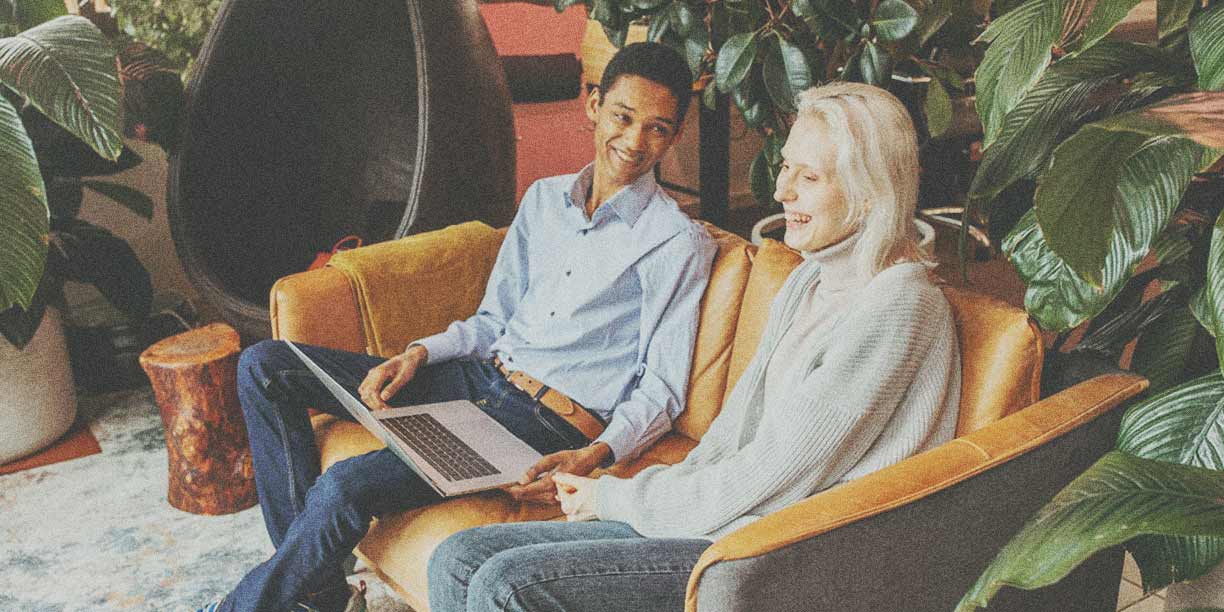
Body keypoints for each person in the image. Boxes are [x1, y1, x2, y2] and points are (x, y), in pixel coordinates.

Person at [198, 42, 716, 612]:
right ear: (593, 105)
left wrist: (596, 454)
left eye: (658, 128)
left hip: (541, 424)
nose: (635, 141)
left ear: (673, 137)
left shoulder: (676, 241)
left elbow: (663, 389)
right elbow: (494, 320)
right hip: (474, 379)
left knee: (346, 486)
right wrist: (420, 352)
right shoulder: (544, 200)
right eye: (623, 116)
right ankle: (318, 591)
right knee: (267, 366)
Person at [427, 81, 963, 612]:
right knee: (458, 557)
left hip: (783, 549)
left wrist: (616, 497)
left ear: (870, 193)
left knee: (507, 584)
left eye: (810, 176)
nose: (782, 192)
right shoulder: (809, 282)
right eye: (785, 167)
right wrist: (638, 489)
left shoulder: (899, 305)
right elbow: (731, 439)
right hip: (727, 522)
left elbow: (779, 471)